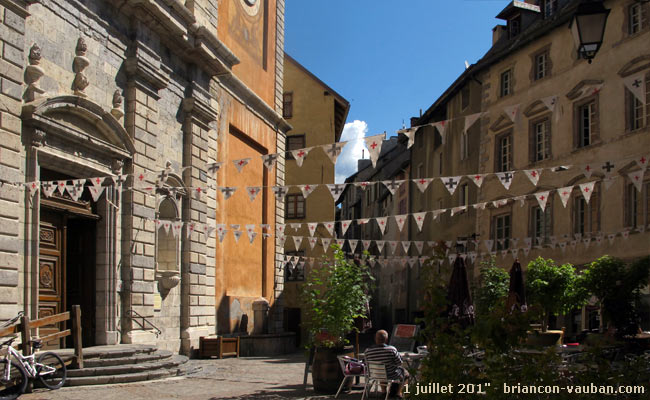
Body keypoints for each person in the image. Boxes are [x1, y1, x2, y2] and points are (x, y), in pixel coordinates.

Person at [364, 330, 409, 398]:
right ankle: (399, 393)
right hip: (391, 374)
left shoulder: (367, 351)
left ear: (375, 339)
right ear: (386, 339)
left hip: (375, 374)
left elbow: (366, 363)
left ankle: (384, 392)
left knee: (382, 371)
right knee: (406, 374)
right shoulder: (391, 349)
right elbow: (399, 362)